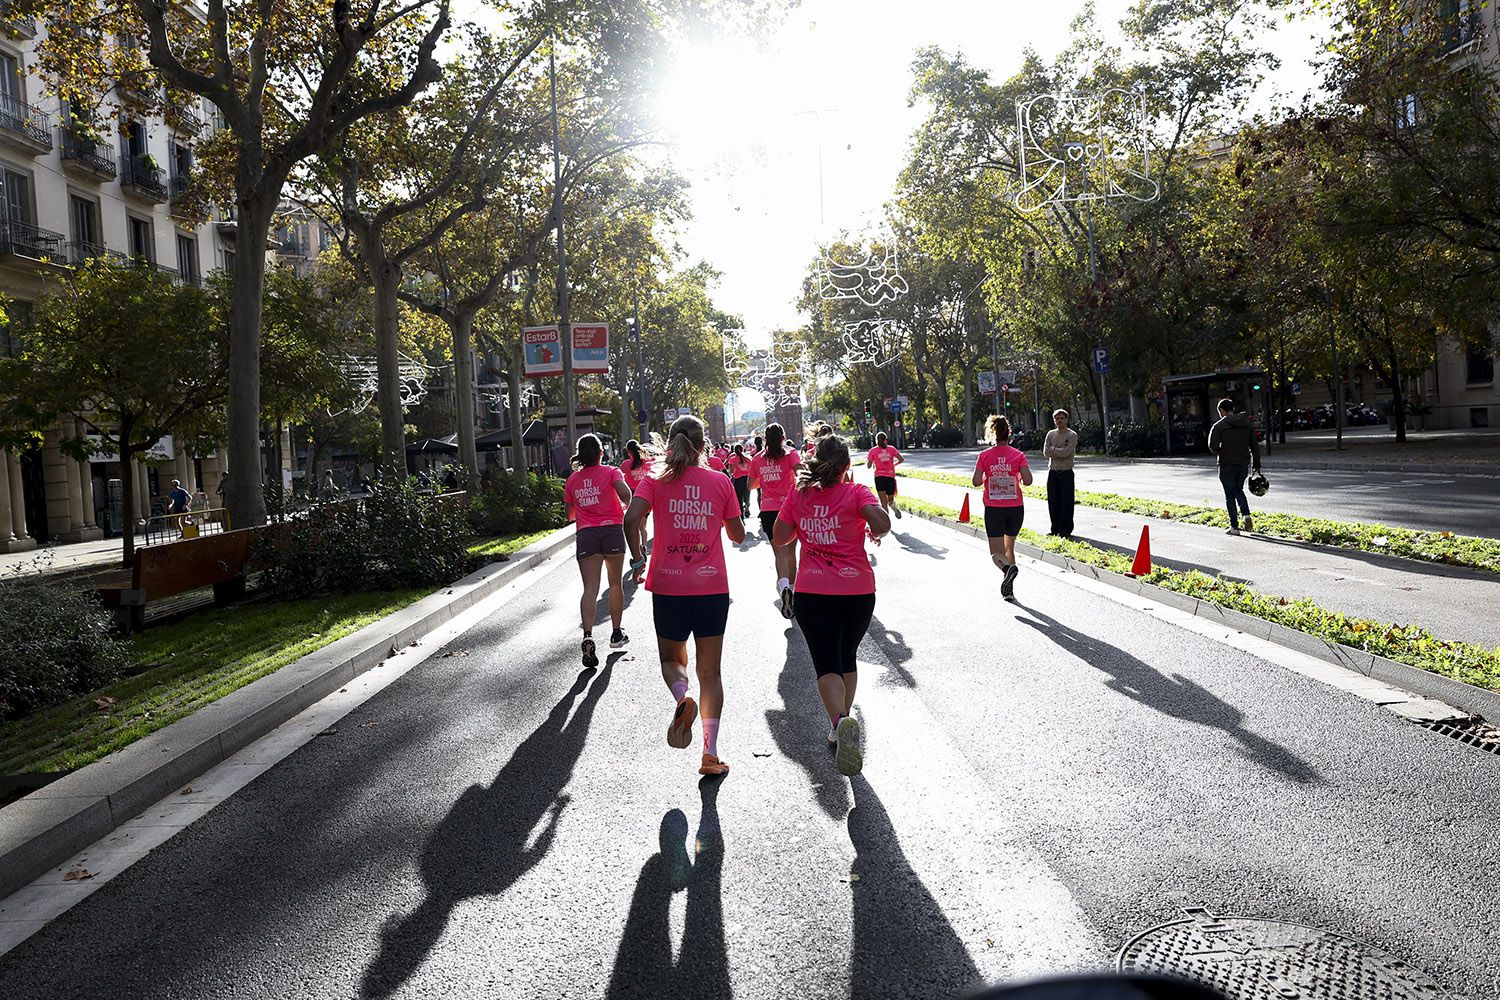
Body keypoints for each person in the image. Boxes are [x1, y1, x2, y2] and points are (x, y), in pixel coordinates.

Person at [624, 415, 745, 777]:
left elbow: (631, 519)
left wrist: (638, 557)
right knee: (711, 673)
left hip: (668, 586)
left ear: (671, 443)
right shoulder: (720, 481)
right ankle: (710, 754)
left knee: (671, 659)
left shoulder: (654, 480)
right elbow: (737, 535)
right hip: (711, 588)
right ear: (703, 446)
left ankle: (682, 698)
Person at [774, 433, 890, 776]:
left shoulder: (799, 494)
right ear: (846, 466)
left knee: (826, 663)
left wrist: (805, 523)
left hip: (814, 592)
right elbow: (882, 525)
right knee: (846, 656)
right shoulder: (857, 492)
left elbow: (780, 537)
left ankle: (839, 721)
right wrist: (869, 526)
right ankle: (842, 722)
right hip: (857, 592)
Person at [564, 434, 633, 668]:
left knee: (590, 589)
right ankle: (616, 633)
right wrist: (622, 505)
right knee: (615, 584)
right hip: (612, 530)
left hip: (586, 535)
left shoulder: (572, 480)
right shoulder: (612, 472)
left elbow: (569, 515)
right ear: (601, 453)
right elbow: (626, 495)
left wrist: (586, 504)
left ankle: (588, 636)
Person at [972, 415, 1033, 602]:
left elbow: (976, 481)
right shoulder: (1018, 455)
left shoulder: (984, 455)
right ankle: (1009, 591)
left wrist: (989, 476)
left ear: (992, 432)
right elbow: (1028, 481)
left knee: (996, 553)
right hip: (1015, 508)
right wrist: (1012, 475)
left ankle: (1008, 570)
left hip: (994, 509)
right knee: (1009, 549)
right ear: (1009, 432)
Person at [748, 423, 802, 618]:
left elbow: (751, 485)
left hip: (768, 510)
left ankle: (784, 586)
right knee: (791, 552)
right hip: (790, 507)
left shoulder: (757, 458)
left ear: (765, 438)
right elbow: (801, 474)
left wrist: (765, 478)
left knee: (779, 553)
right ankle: (792, 590)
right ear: (783, 437)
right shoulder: (791, 453)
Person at [1207, 397, 1262, 535]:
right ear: (1233, 409)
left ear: (1221, 410)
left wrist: (1222, 452)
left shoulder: (1219, 426)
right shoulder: (1246, 424)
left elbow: (1212, 446)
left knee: (1229, 495)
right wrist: (1256, 467)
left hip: (1226, 464)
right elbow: (1255, 447)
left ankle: (1234, 527)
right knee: (1238, 489)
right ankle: (1246, 514)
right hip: (1243, 464)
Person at [1042, 409, 1078, 537]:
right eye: (1057, 418)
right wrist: (1058, 449)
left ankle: (1066, 529)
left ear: (1066, 419)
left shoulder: (1072, 435)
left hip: (1066, 472)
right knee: (1053, 501)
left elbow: (1066, 452)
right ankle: (1055, 529)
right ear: (1054, 420)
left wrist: (1053, 449)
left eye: (1062, 418)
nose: (1059, 420)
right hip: (1053, 472)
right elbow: (1045, 452)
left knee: (1066, 502)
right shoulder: (1050, 434)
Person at [619, 439, 655, 561]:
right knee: (642, 526)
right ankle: (643, 546)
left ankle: (640, 549)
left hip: (634, 497)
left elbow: (620, 478)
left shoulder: (625, 465)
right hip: (647, 496)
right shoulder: (648, 462)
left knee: (636, 526)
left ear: (629, 452)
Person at [865, 431, 904, 519]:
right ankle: (893, 506)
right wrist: (894, 465)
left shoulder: (872, 451)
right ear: (886, 440)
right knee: (890, 499)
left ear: (876, 440)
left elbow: (868, 466)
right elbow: (901, 459)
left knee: (883, 503)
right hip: (890, 477)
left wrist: (870, 461)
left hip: (879, 477)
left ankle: (886, 522)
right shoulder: (892, 449)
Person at [727, 443, 752, 519]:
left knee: (739, 499)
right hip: (747, 479)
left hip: (738, 480)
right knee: (747, 496)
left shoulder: (732, 459)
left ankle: (741, 516)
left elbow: (731, 471)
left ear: (734, 451)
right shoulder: (748, 459)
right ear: (743, 449)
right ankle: (747, 507)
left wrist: (730, 471)